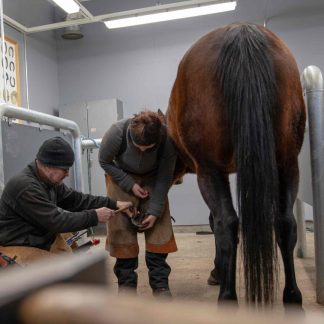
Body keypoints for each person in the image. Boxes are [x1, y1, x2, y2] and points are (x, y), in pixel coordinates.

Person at [0, 137, 132, 263]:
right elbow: (57, 221)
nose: (68, 174)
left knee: (69, 244)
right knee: (65, 274)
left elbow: (76, 200)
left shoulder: (48, 181)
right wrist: (95, 216)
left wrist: (114, 203)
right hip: (17, 245)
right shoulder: (26, 187)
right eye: (65, 169)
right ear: (48, 166)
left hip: (37, 238)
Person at [99, 110, 178, 298]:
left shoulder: (167, 139)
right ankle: (126, 287)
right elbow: (104, 161)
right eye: (138, 147)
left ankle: (160, 287)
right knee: (121, 231)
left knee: (160, 231)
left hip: (154, 178)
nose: (142, 151)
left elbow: (166, 175)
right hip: (121, 177)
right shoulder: (116, 132)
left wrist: (156, 210)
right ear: (130, 135)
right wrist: (129, 184)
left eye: (148, 148)